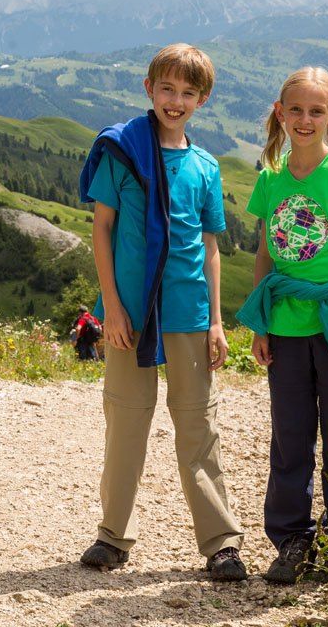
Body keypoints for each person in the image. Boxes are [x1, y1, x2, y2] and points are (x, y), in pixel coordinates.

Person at [77, 43, 247, 581]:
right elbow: (102, 230)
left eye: (188, 93)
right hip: (130, 313)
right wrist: (112, 309)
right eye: (167, 89)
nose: (176, 101)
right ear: (148, 89)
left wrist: (216, 321)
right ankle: (112, 536)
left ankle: (221, 543)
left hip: (189, 312)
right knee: (126, 420)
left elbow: (211, 248)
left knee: (198, 424)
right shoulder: (122, 152)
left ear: (202, 99)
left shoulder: (205, 167)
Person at [235, 67, 328, 585]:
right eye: (295, 110)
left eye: (316, 111)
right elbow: (264, 255)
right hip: (287, 326)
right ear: (280, 113)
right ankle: (292, 540)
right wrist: (261, 326)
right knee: (290, 438)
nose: (304, 119)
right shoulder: (270, 177)